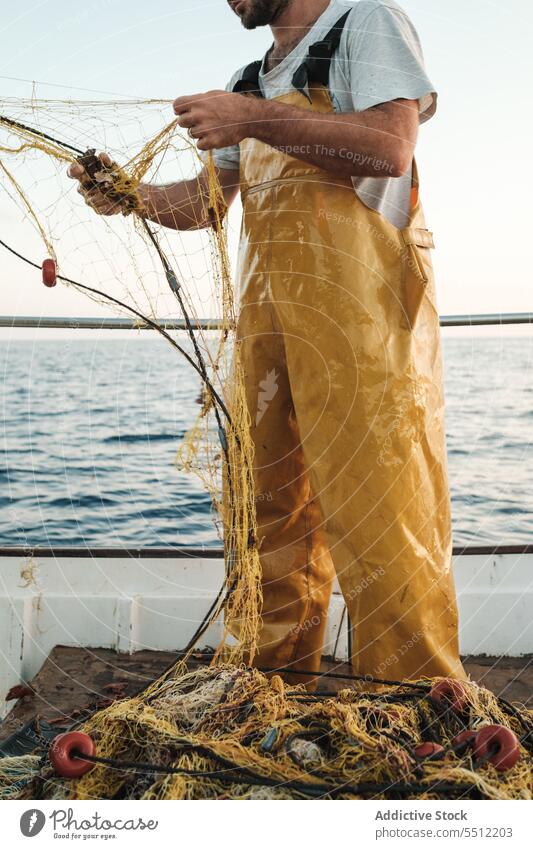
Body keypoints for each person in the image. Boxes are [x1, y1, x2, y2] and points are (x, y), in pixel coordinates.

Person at [69, 0, 467, 683]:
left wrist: (253, 119)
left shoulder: (362, 22)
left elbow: (389, 147)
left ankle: (416, 705)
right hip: (268, 327)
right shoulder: (247, 80)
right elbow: (208, 199)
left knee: (382, 515)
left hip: (362, 320)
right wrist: (128, 195)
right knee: (268, 516)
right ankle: (271, 688)